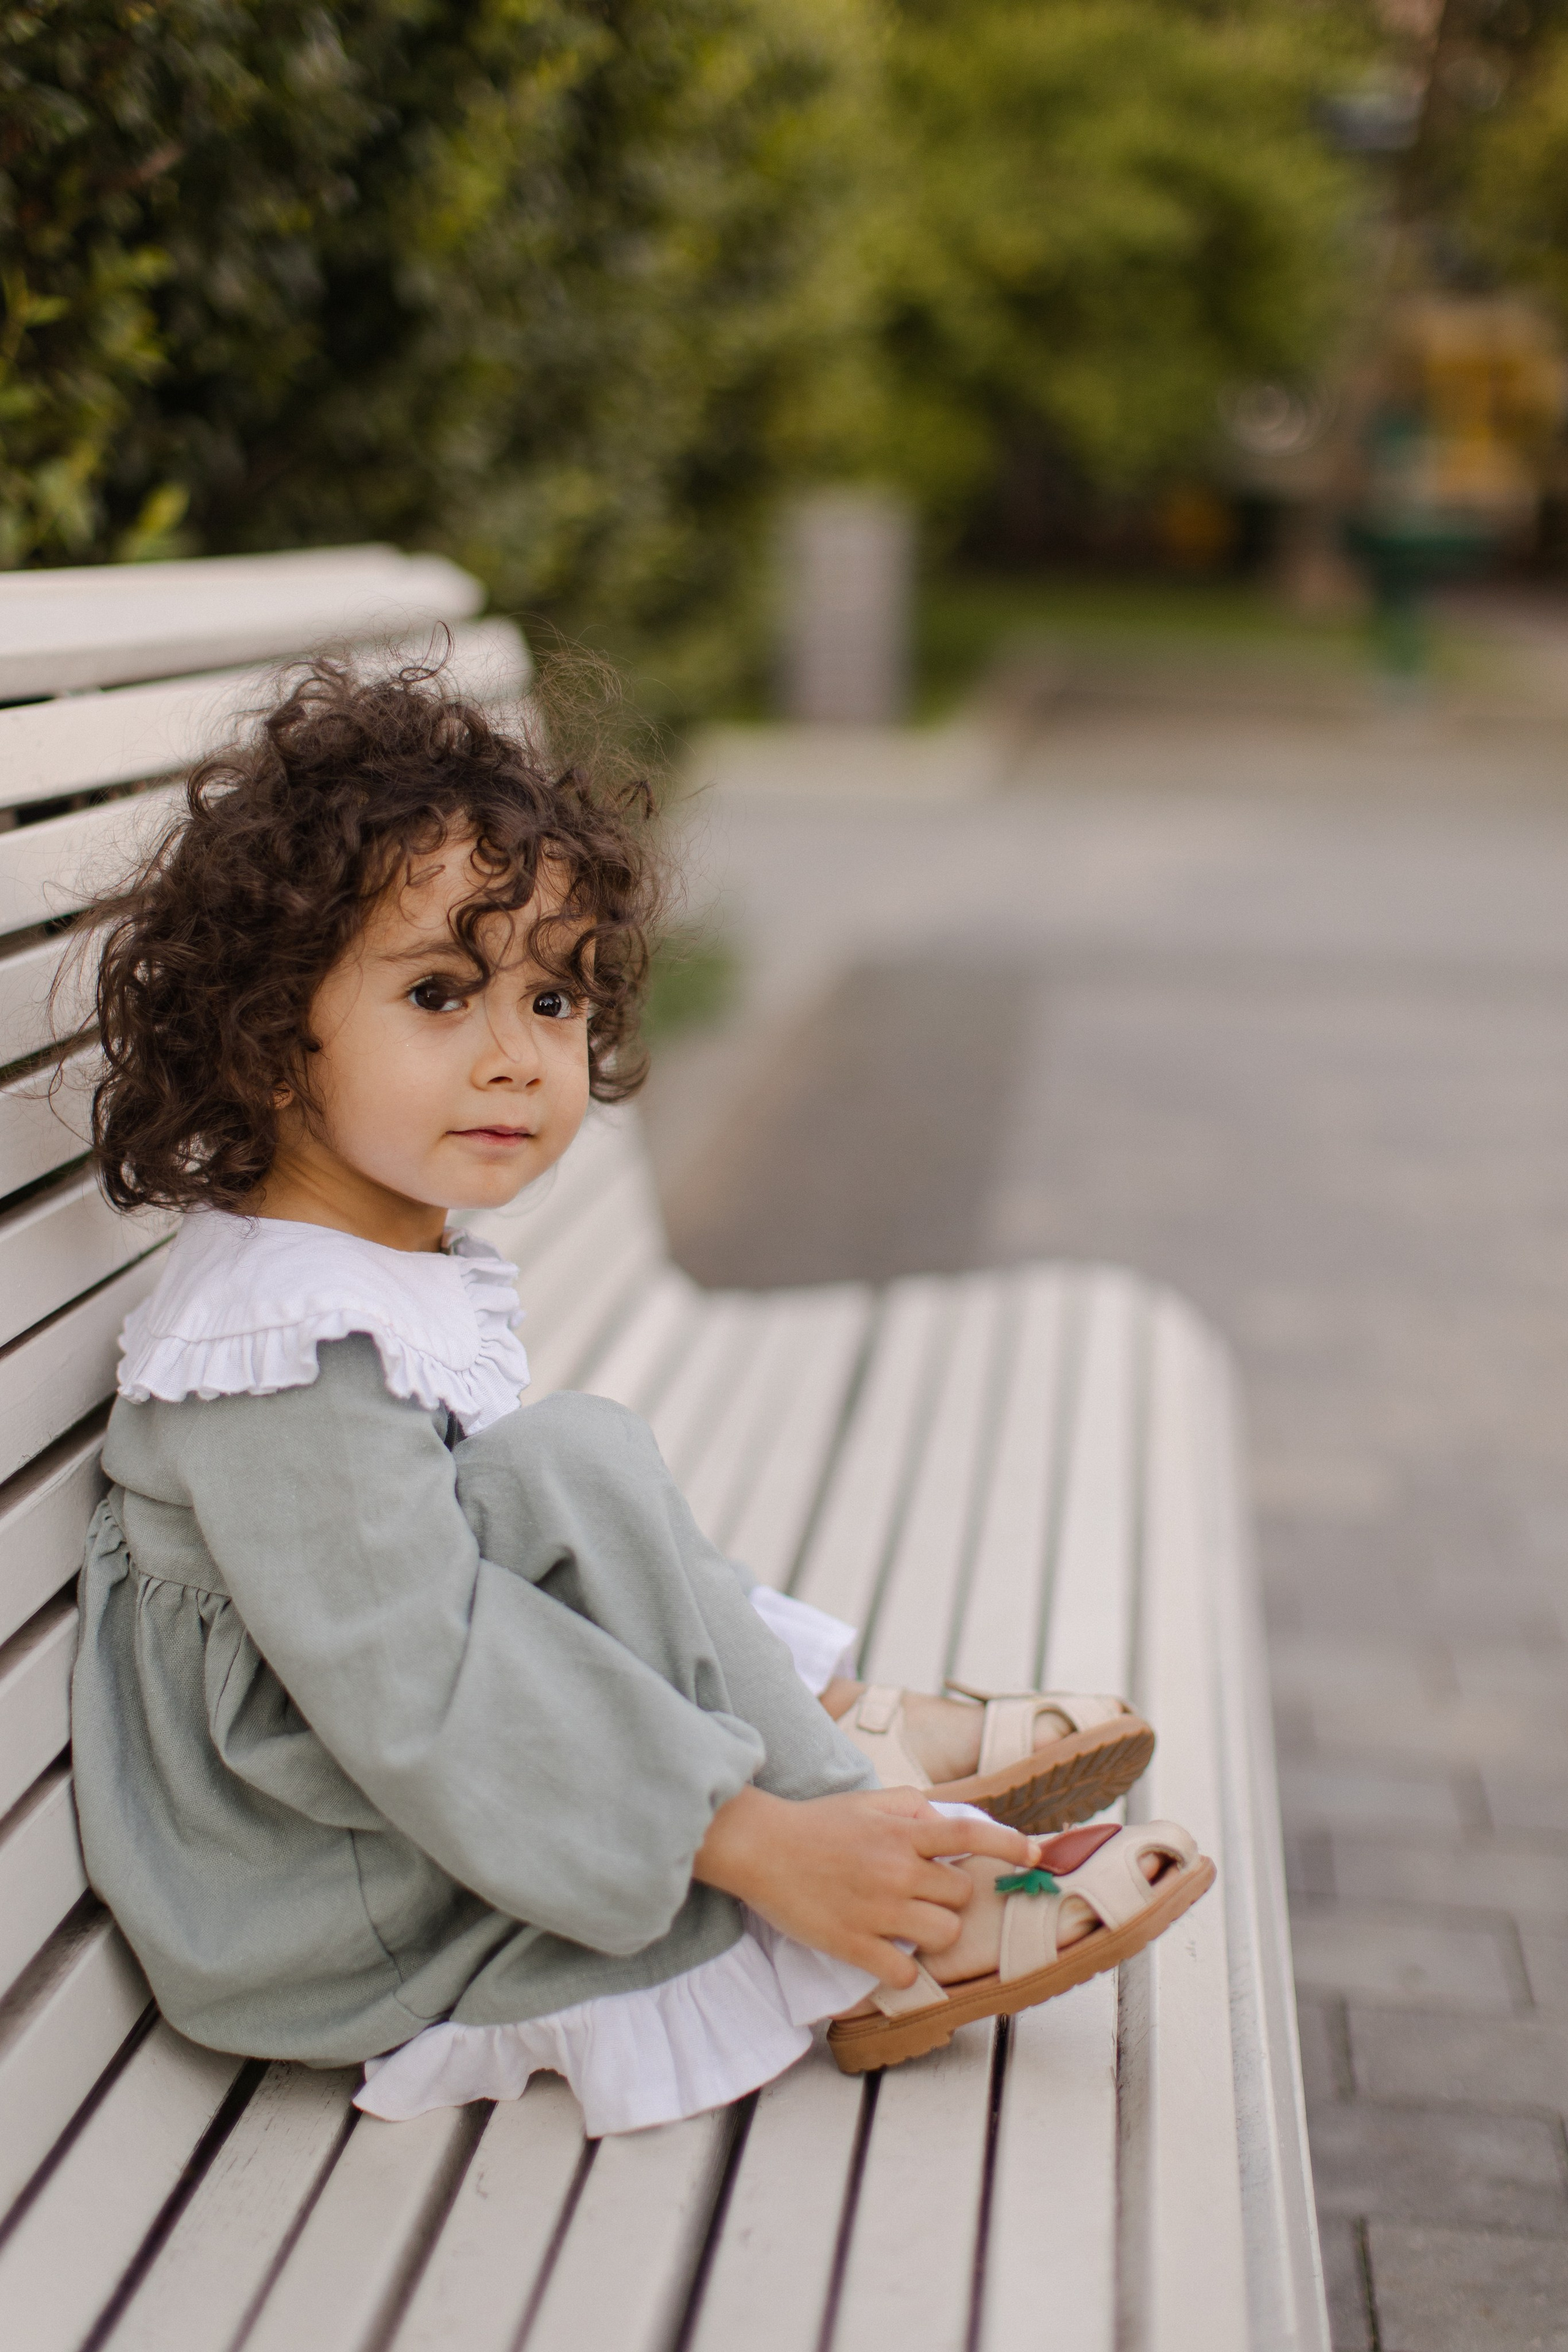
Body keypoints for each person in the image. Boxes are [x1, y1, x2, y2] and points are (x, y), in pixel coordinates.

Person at [69, 660, 1214, 2137]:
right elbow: (430, 1691)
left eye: (552, 995)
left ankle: (843, 1784)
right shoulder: (279, 1355)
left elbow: (499, 1564)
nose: (517, 1054)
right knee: (569, 1478)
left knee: (573, 1461)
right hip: (304, 1899)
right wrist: (734, 1843)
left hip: (360, 1795)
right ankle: (851, 1903)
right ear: (271, 1033)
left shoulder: (349, 1272)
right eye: (440, 993)